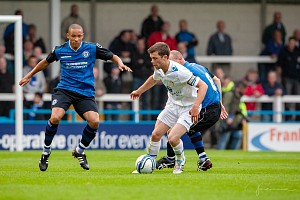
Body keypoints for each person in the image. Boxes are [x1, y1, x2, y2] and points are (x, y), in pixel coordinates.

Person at [19, 24, 132, 171]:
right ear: (68, 36)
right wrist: (29, 75)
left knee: (94, 121)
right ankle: (46, 152)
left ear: (83, 35)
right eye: (74, 36)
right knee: (55, 118)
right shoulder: (60, 50)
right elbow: (45, 62)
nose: (77, 39)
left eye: (79, 36)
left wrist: (120, 63)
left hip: (85, 93)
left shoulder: (91, 48)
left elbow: (112, 56)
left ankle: (79, 150)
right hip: (65, 90)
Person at [131, 42, 213, 174]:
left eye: (155, 58)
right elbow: (153, 79)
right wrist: (139, 91)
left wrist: (196, 106)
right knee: (156, 134)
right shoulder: (159, 68)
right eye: (151, 58)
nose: (152, 61)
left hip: (188, 107)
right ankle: (150, 161)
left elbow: (203, 86)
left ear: (165, 57)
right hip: (173, 105)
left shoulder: (181, 72)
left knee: (173, 138)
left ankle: (180, 161)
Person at [155, 50, 228, 171]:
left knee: (176, 131)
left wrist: (197, 105)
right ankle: (203, 159)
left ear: (180, 59)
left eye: (172, 62)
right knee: (189, 127)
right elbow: (217, 80)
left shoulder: (186, 72)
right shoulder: (197, 66)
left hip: (208, 110)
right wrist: (220, 102)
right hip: (213, 107)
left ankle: (170, 159)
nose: (170, 65)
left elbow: (204, 86)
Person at [218, 81, 247, 150]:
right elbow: (225, 106)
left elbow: (236, 109)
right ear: (239, 88)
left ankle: (233, 153)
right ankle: (221, 152)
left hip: (234, 120)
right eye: (244, 89)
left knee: (236, 136)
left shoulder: (237, 96)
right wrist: (227, 117)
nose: (245, 91)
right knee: (224, 138)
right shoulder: (230, 94)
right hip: (227, 120)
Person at [276, 37, 300, 121]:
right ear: (288, 43)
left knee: (298, 97)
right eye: (290, 42)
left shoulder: (298, 51)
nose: (292, 44)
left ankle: (298, 117)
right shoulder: (283, 51)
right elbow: (279, 66)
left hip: (297, 78)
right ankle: (288, 117)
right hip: (287, 78)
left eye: (293, 42)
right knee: (287, 98)